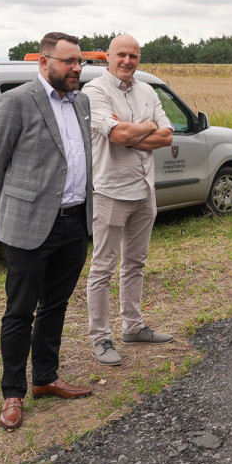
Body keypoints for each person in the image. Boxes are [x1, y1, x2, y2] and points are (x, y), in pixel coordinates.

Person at [0, 32, 95, 432]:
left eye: (79, 61)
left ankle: (45, 377)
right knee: (20, 311)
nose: (76, 68)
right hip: (29, 226)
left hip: (74, 222)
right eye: (68, 62)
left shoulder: (80, 103)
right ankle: (12, 392)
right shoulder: (16, 102)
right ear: (44, 62)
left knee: (55, 305)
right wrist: (17, 207)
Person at [81, 34, 174, 367]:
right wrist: (145, 128)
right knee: (103, 267)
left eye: (133, 56)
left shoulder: (147, 90)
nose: (127, 61)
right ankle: (100, 337)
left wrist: (135, 132)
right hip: (111, 191)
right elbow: (116, 136)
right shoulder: (94, 92)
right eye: (121, 54)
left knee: (135, 263)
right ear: (108, 56)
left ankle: (133, 327)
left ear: (139, 58)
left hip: (145, 189)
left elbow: (167, 135)